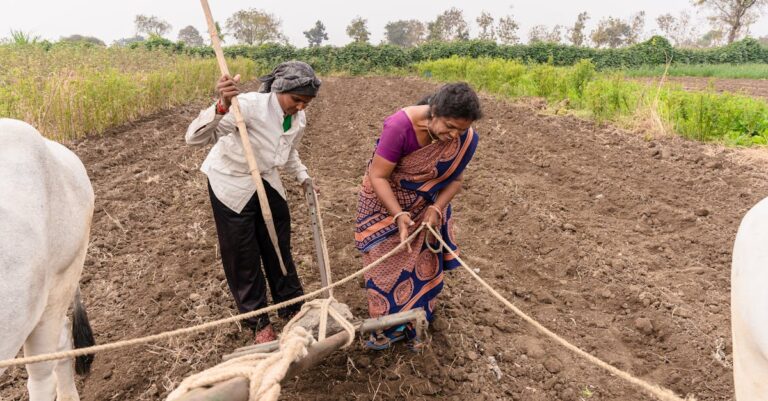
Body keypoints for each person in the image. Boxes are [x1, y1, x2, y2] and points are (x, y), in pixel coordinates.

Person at [185, 61, 321, 344]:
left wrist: (302, 175)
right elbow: (194, 138)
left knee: (278, 245)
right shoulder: (246, 105)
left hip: (267, 179)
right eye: (297, 100)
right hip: (232, 182)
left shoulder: (299, 118)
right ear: (281, 89)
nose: (300, 107)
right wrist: (222, 105)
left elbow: (290, 150)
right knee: (242, 254)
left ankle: (291, 305)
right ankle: (258, 320)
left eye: (306, 102)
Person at [355, 82, 482, 350]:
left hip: (426, 207)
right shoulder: (399, 126)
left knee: (422, 261)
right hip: (384, 201)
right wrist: (398, 214)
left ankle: (416, 321)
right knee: (383, 263)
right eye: (449, 126)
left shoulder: (465, 139)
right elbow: (378, 176)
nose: (454, 135)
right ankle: (385, 327)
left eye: (461, 129)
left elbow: (456, 179)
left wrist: (436, 209)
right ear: (434, 112)